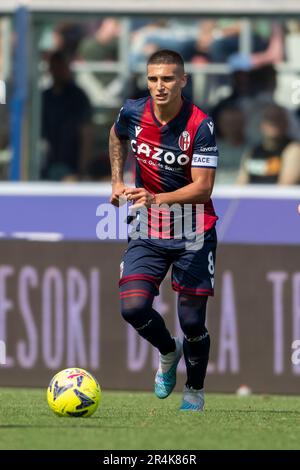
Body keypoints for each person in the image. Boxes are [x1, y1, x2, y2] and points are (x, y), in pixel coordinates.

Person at [109, 50, 218, 411]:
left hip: (194, 229)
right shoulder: (132, 112)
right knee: (134, 308)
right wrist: (116, 181)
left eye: (168, 79)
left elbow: (203, 188)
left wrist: (157, 197)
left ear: (183, 81)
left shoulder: (200, 125)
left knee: (191, 320)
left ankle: (195, 391)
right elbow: (116, 134)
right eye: (154, 79)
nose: (160, 86)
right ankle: (168, 352)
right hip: (148, 228)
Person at [41, 51, 93, 181]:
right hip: (45, 165)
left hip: (71, 166)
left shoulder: (78, 96)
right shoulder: (44, 96)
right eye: (54, 67)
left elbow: (86, 133)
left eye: (61, 67)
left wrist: (82, 168)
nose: (58, 71)